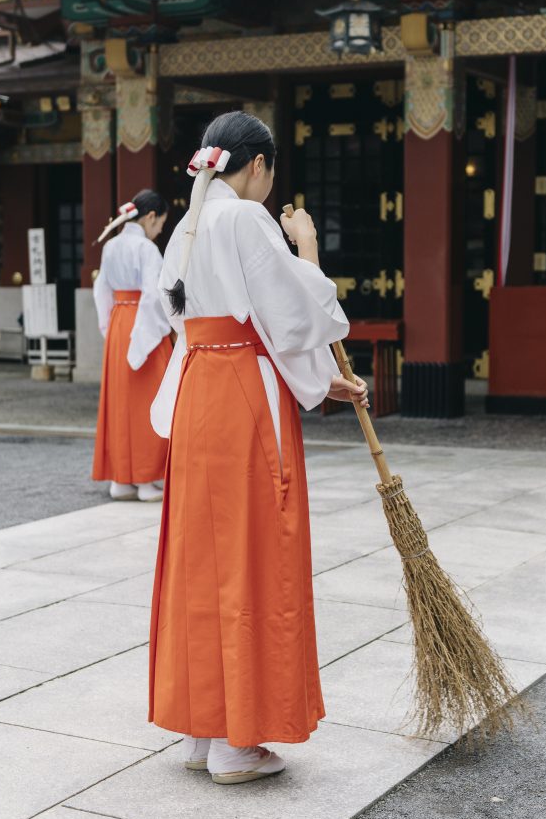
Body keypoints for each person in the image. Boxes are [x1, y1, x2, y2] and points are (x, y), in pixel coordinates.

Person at [148, 112, 369, 785]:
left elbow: (194, 318)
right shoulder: (244, 218)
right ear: (258, 166)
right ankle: (237, 740)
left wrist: (310, 376)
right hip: (243, 396)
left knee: (202, 558)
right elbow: (296, 310)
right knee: (249, 551)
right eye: (271, 172)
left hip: (199, 391)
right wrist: (307, 249)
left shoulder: (188, 224)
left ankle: (201, 725)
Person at [92, 189, 173, 503]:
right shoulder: (147, 248)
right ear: (151, 216)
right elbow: (155, 295)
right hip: (142, 324)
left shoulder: (110, 245)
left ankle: (121, 479)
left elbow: (101, 291)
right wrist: (152, 335)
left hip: (119, 322)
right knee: (147, 403)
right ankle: (145, 480)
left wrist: (108, 329)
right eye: (160, 224)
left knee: (121, 402)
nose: (159, 231)